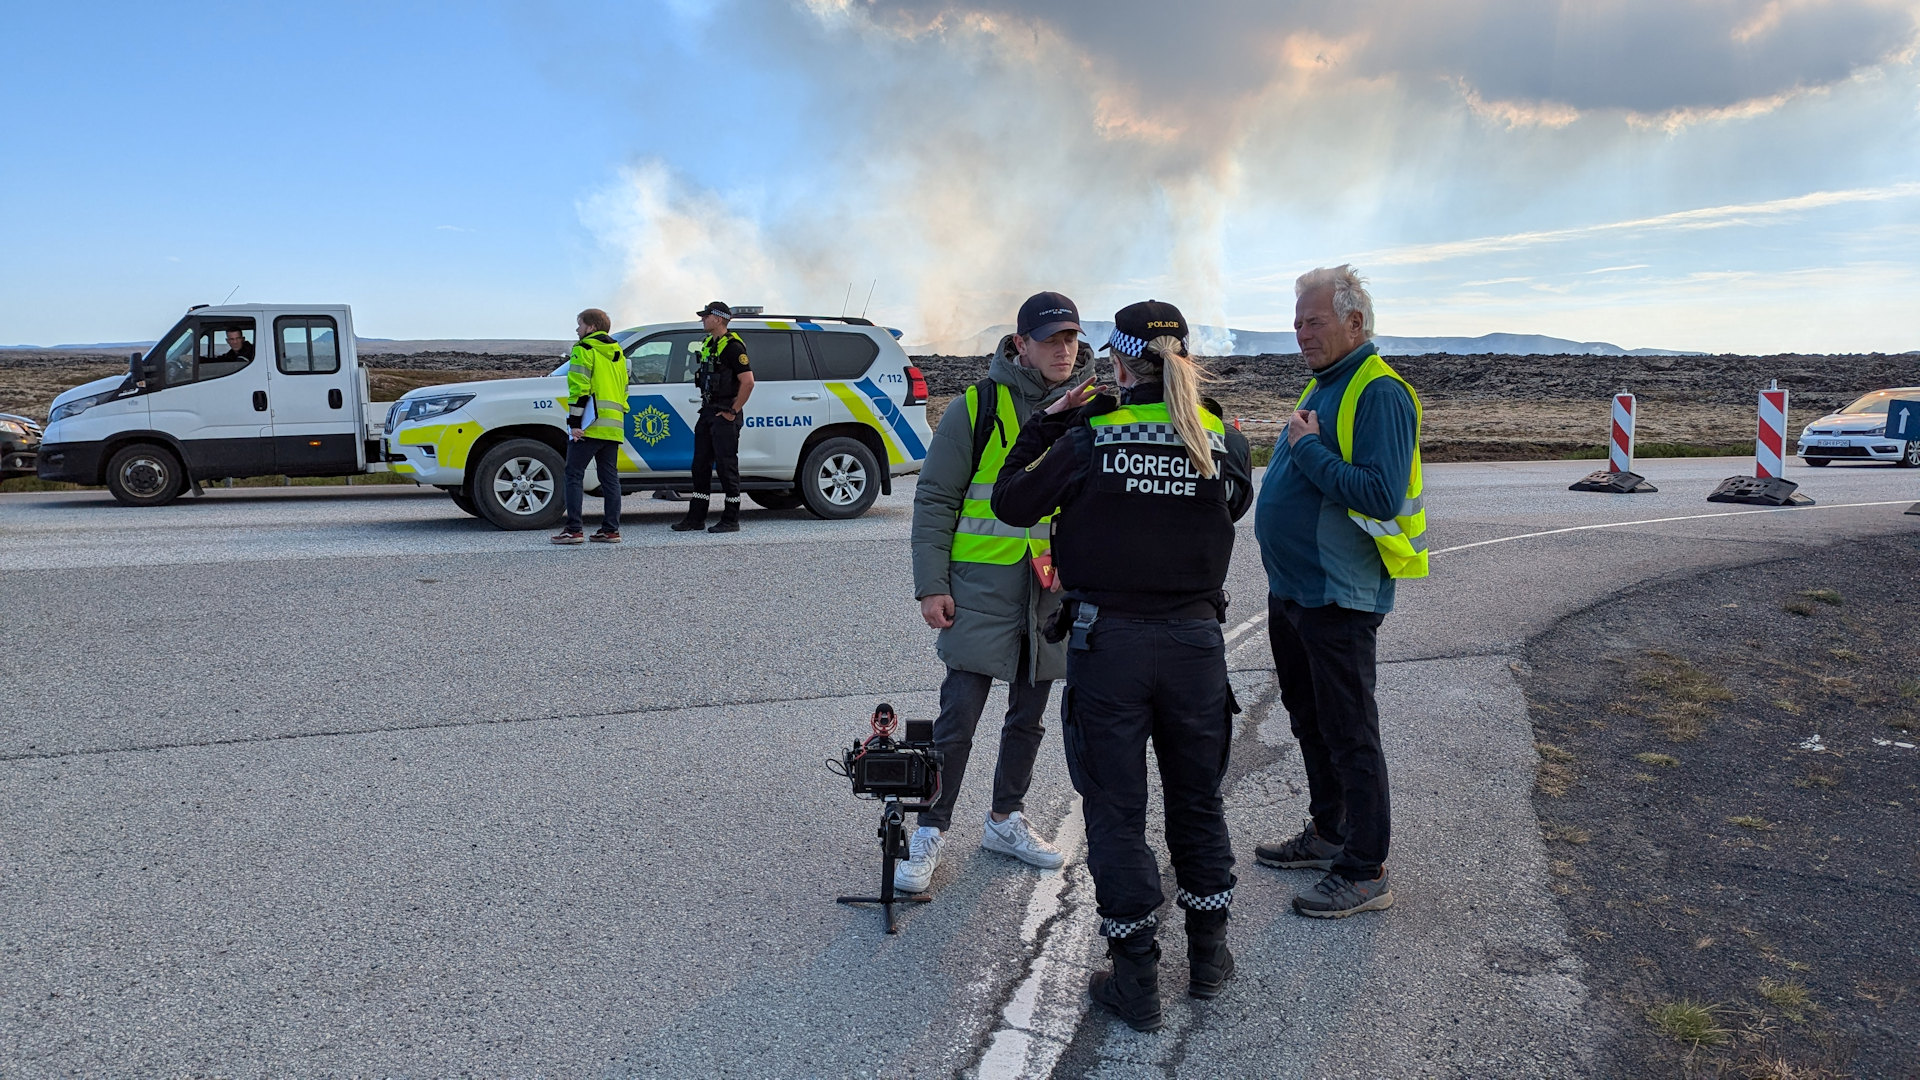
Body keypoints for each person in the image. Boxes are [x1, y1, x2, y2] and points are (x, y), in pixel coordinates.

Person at [993, 300, 1254, 1032]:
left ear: (1116, 362)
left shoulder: (1089, 437)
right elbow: (1232, 504)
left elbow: (1014, 502)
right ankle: (1208, 958)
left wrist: (1049, 420)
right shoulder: (1220, 437)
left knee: (1116, 812)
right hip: (1196, 648)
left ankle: (1135, 979)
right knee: (1197, 802)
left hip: (1110, 649)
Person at [897, 291, 1091, 895]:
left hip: (1049, 596)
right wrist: (932, 585)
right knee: (959, 719)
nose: (1064, 349)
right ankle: (930, 829)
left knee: (1029, 720)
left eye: (1072, 339)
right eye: (1051, 339)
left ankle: (1004, 820)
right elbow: (935, 499)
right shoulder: (977, 408)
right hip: (979, 593)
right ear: (1020, 343)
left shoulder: (1088, 412)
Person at [1251, 264, 1425, 919]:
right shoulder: (1326, 383)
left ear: (1355, 321)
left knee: (1351, 732)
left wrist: (1310, 452)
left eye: (1313, 320)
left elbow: (1379, 493)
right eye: (1296, 321)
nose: (1301, 332)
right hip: (1295, 590)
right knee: (1310, 720)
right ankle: (1329, 834)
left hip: (1338, 594)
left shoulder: (1378, 391)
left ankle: (1363, 868)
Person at [672, 301, 754, 533]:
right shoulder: (711, 343)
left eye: (706, 316)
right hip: (708, 412)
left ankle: (731, 519)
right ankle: (696, 518)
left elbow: (748, 382)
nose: (702, 320)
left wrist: (733, 411)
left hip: (725, 413)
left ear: (718, 318)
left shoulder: (733, 348)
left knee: (727, 467)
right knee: (700, 465)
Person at [552, 308, 630, 545]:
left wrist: (575, 423)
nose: (577, 330)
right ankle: (611, 529)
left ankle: (574, 529)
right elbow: (624, 391)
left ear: (592, 327)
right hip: (613, 426)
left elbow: (579, 388)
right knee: (610, 478)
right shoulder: (619, 354)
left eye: (580, 324)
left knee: (573, 474)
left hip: (589, 425)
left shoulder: (583, 350)